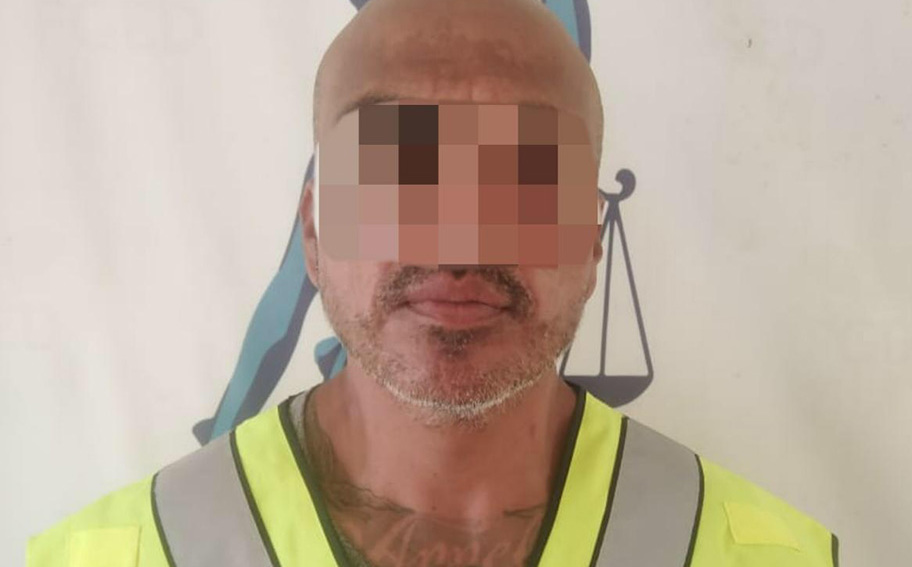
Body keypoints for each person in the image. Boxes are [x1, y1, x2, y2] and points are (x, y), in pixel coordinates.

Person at [27, 0, 839, 565]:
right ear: (314, 231)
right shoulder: (109, 555)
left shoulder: (772, 555)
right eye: (399, 174)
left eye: (523, 180)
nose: (459, 240)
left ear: (592, 241)